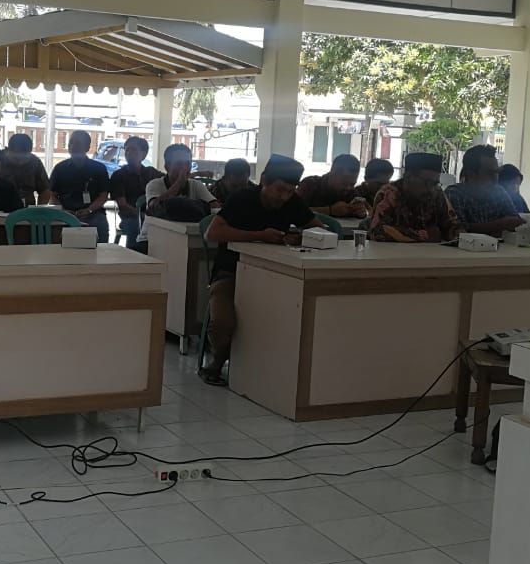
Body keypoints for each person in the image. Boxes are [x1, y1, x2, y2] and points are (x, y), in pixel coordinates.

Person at [201, 156, 320, 385]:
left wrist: (300, 237)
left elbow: (319, 230)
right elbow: (212, 233)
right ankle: (216, 362)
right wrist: (259, 236)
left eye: (290, 191)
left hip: (274, 275)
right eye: (279, 190)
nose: (284, 197)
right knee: (223, 323)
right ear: (264, 181)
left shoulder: (292, 202)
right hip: (230, 273)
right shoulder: (242, 198)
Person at [138, 143, 220, 250]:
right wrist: (179, 182)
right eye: (179, 164)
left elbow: (215, 207)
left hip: (184, 236)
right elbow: (155, 206)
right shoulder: (154, 184)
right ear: (167, 167)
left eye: (187, 163)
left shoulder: (196, 185)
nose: (184, 168)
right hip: (150, 239)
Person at [370, 152, 461, 243]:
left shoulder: (437, 193)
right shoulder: (389, 194)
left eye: (435, 183)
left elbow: (453, 225)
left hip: (430, 251)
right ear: (408, 177)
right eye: (427, 183)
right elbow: (377, 231)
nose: (431, 189)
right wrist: (424, 235)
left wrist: (459, 235)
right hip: (393, 251)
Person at [443, 145, 524, 237]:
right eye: (490, 173)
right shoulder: (454, 194)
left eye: (497, 172)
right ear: (471, 174)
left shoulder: (499, 191)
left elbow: (516, 222)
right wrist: (501, 225)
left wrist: (485, 228)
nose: (495, 178)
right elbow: (459, 231)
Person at [49, 130, 110, 241]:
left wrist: (89, 210)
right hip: (65, 213)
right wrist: (63, 211)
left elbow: (103, 196)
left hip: (93, 213)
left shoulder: (99, 168)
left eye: (77, 143)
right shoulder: (60, 168)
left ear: (87, 147)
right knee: (52, 230)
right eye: (70, 143)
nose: (72, 146)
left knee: (99, 226)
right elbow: (52, 195)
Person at [108, 137, 162, 248]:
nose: (129, 153)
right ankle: (133, 256)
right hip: (130, 217)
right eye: (127, 150)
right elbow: (122, 204)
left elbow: (170, 180)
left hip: (152, 216)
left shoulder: (151, 173)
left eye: (133, 150)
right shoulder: (119, 175)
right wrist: (141, 215)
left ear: (144, 154)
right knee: (136, 225)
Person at [298, 153, 369, 220]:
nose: (348, 188)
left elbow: (363, 214)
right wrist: (330, 210)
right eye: (344, 183)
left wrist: (360, 212)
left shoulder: (352, 193)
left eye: (352, 184)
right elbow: (295, 211)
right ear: (332, 175)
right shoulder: (310, 184)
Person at [2, 133, 51, 207]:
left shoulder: (34, 162)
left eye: (24, 159)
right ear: (8, 150)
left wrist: (38, 209)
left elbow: (45, 190)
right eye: (16, 159)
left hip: (27, 209)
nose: (20, 163)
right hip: (0, 208)